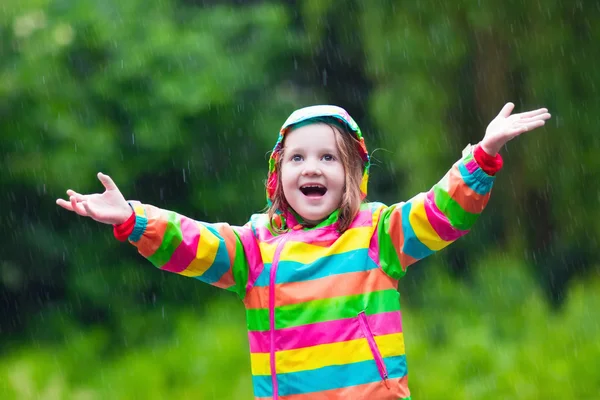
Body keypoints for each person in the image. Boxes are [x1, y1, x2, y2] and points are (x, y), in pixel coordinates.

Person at [57, 103, 550, 400]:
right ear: (278, 178)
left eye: (328, 157)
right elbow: (194, 243)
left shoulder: (378, 234)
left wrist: (480, 158)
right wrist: (132, 218)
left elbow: (442, 213)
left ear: (353, 176)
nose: (311, 167)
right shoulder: (254, 249)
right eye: (297, 157)